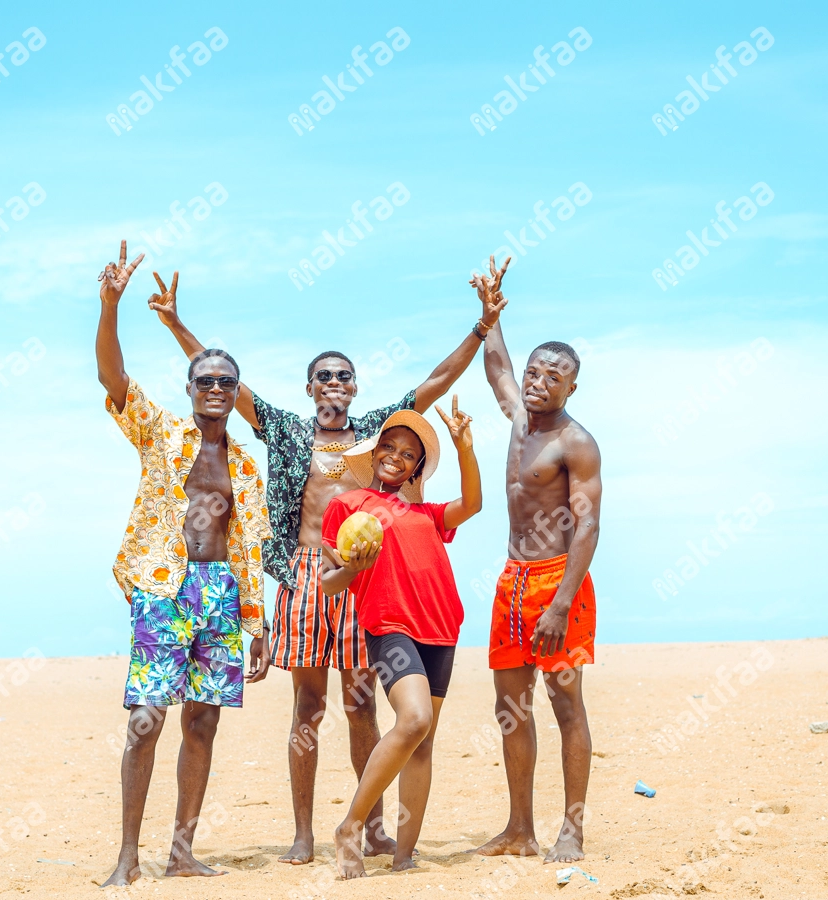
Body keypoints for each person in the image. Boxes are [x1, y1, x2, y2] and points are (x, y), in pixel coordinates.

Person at [146, 271, 505, 863]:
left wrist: (481, 327)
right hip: (305, 575)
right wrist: (176, 324)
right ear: (310, 387)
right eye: (324, 376)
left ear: (355, 387)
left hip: (367, 578)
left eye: (343, 375)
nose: (334, 383)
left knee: (363, 703)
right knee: (307, 707)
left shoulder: (378, 435)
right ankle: (304, 832)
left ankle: (372, 826)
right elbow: (226, 383)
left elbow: (435, 384)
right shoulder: (286, 430)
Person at [95, 242, 272, 883]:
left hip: (221, 593)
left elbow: (250, 548)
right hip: (164, 588)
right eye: (206, 381)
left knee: (203, 723)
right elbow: (113, 381)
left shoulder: (248, 465)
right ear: (189, 387)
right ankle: (126, 857)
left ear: (234, 390)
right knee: (146, 721)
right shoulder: (163, 435)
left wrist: (260, 622)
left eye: (227, 382)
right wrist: (111, 307)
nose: (217, 389)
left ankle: (181, 850)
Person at [470, 257, 603, 864]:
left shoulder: (575, 441)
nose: (538, 380)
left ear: (571, 386)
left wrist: (562, 602)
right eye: (535, 371)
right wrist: (491, 314)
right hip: (511, 581)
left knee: (565, 703)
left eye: (554, 376)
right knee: (509, 707)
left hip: (557, 584)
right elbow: (496, 365)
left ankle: (571, 829)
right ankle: (519, 827)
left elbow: (589, 524)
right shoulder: (520, 420)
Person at [320, 401, 482, 879]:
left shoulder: (429, 514)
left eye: (408, 454)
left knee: (424, 743)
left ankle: (405, 853)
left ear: (416, 468)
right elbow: (330, 582)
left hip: (442, 625)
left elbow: (472, 505)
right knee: (413, 720)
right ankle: (351, 826)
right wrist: (352, 568)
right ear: (373, 455)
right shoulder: (347, 506)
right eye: (388, 446)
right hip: (389, 625)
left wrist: (465, 447)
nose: (396, 456)